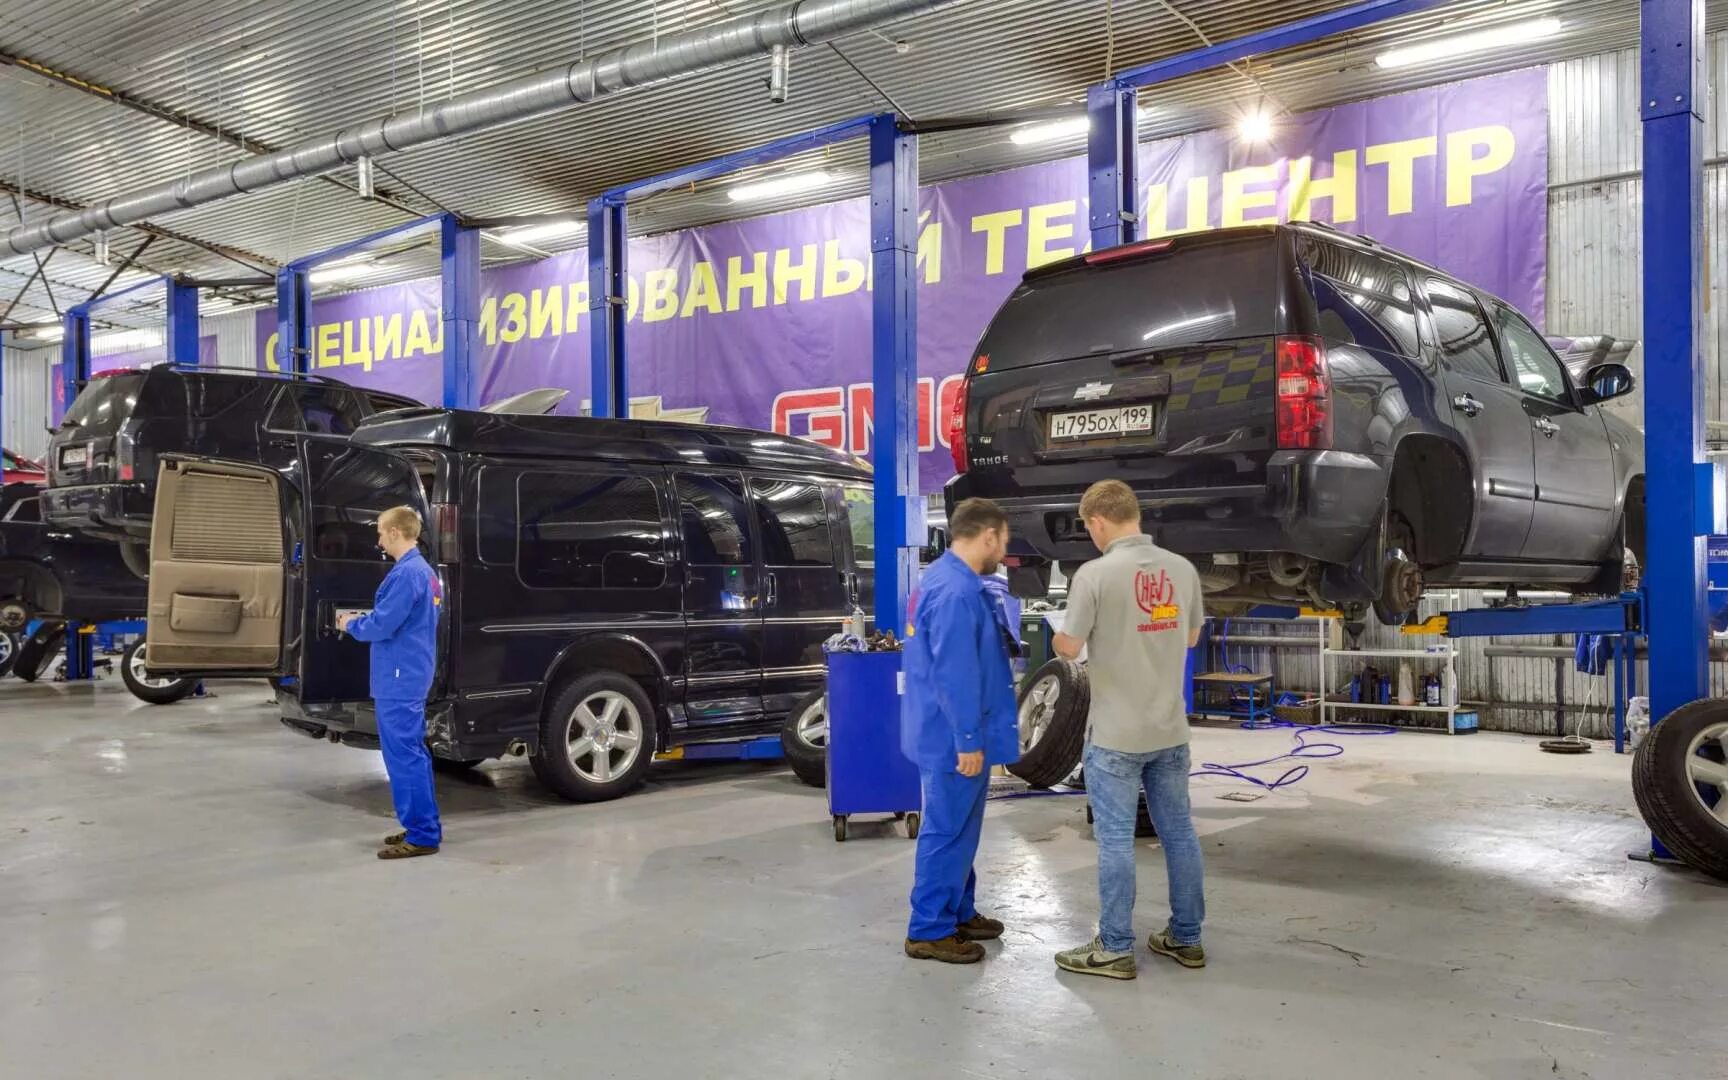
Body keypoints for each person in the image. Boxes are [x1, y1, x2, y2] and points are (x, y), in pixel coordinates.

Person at [1051, 479, 1207, 980]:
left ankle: (1115, 946)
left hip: (1116, 734)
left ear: (1097, 522)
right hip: (1169, 729)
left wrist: (1061, 635)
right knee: (1179, 834)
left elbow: (1070, 649)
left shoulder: (1094, 575)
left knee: (1116, 839)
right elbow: (1191, 636)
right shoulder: (1182, 570)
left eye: (1088, 528)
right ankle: (1186, 937)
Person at [901, 497, 1021, 964]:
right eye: (1004, 539)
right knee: (947, 830)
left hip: (946, 729)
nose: (1004, 549)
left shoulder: (947, 579)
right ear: (988, 535)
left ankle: (957, 911)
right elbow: (955, 673)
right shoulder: (956, 592)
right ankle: (929, 929)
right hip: (954, 736)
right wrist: (968, 739)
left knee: (961, 828)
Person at [336, 506, 444, 860]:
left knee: (403, 755)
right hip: (410, 670)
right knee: (412, 753)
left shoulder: (407, 574)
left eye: (382, 532)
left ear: (397, 532)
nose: (379, 539)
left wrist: (350, 624)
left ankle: (423, 834)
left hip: (400, 676)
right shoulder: (425, 573)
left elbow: (383, 626)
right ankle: (421, 826)